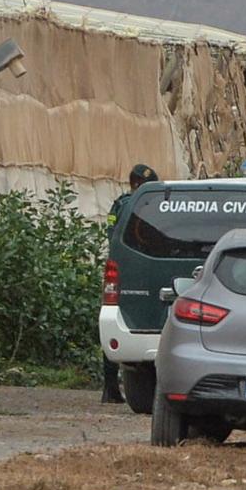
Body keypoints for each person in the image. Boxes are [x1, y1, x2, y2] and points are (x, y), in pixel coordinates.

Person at [99, 164, 159, 404]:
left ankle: (110, 386)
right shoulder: (147, 206)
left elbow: (112, 234)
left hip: (122, 267)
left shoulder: (120, 204)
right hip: (146, 268)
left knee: (117, 322)